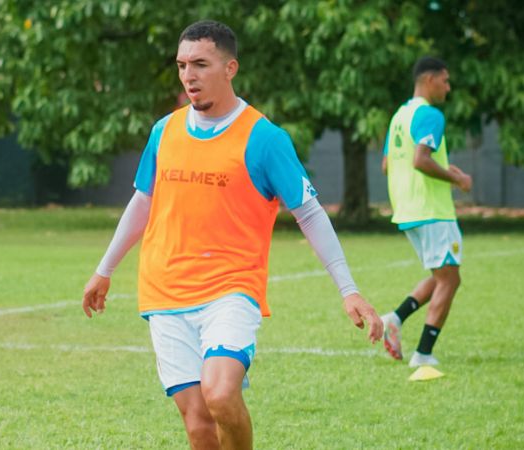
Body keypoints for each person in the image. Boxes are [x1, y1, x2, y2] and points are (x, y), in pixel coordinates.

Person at [82, 20, 382, 450]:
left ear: (230, 68)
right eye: (182, 65)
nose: (189, 75)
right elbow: (143, 202)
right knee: (200, 427)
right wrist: (104, 268)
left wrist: (349, 290)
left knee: (221, 394)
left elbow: (310, 214)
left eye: (201, 64)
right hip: (164, 291)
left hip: (230, 289)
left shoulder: (264, 138)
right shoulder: (163, 131)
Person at [379, 56, 473, 368]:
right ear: (430, 79)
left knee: (442, 273)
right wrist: (456, 177)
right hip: (432, 209)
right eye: (445, 81)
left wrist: (443, 169)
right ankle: (423, 354)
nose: (448, 87)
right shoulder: (430, 114)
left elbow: (386, 165)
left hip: (406, 209)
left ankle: (395, 318)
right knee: (450, 279)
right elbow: (421, 160)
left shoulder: (399, 116)